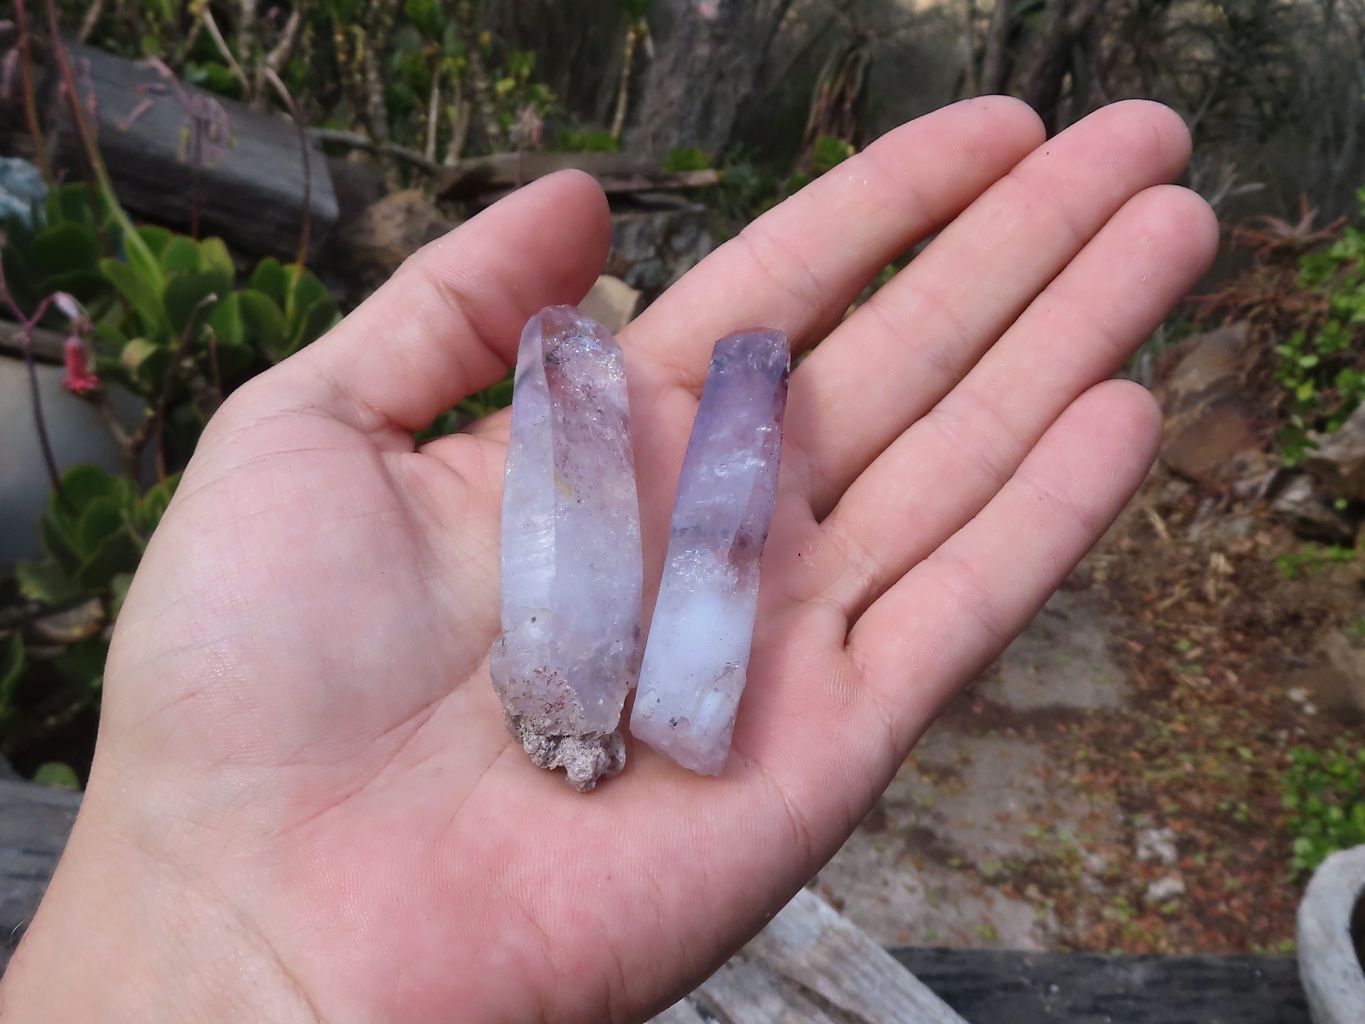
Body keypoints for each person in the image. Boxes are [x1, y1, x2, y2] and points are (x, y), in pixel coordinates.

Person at [0, 97, 1214, 1022]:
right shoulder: (575, 374)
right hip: (588, 686)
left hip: (622, 688)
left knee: (713, 542)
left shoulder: (615, 379)